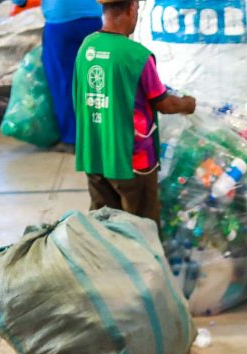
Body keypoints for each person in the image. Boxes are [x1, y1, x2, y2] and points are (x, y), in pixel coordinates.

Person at [72, 0, 196, 225]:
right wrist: (188, 104)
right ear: (131, 8)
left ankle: (108, 259)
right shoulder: (137, 55)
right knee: (142, 225)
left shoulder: (87, 46)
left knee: (103, 223)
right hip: (132, 159)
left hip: (94, 153)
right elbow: (164, 104)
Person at [39, 0, 102, 148]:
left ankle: (72, 139)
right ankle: (100, 135)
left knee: (63, 82)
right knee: (96, 79)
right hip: (94, 19)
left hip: (61, 19)